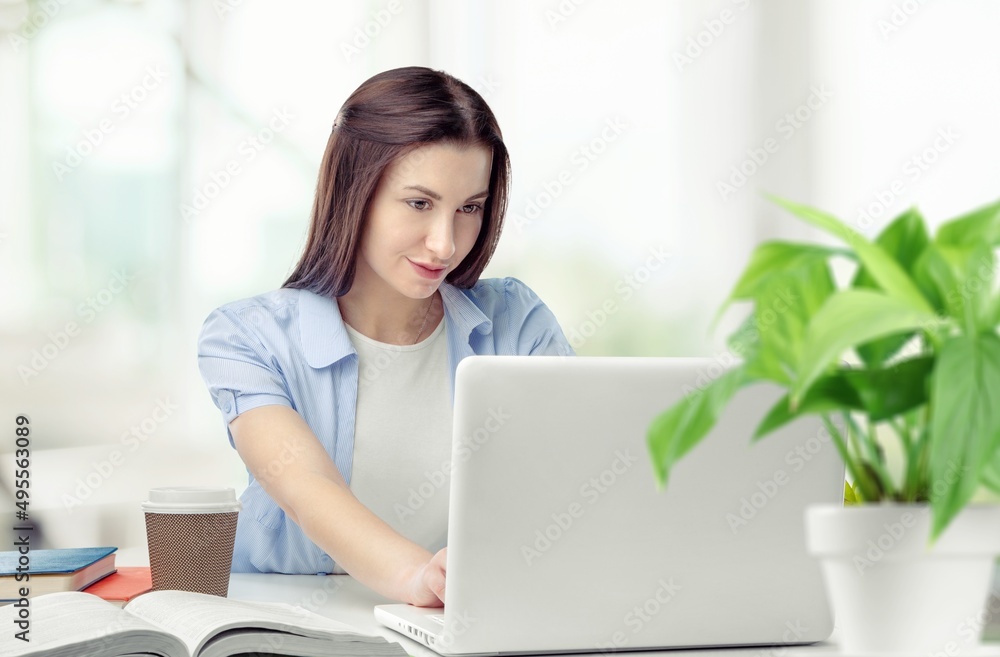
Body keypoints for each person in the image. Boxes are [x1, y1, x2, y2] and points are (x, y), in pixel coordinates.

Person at [197, 66, 573, 608]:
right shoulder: (247, 338)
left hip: (461, 625)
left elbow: (569, 475)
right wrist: (420, 579)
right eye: (419, 203)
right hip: (289, 619)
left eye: (469, 208)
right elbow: (306, 488)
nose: (444, 244)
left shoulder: (516, 323)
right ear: (356, 193)